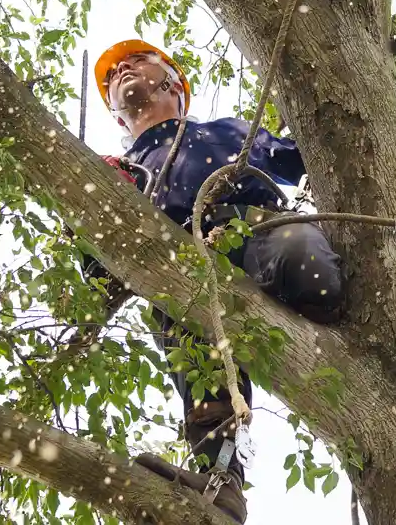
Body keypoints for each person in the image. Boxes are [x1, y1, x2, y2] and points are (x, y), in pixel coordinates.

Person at [76, 39, 346, 523]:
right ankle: (221, 482)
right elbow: (98, 276)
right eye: (114, 72)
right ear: (117, 116)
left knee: (302, 258)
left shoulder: (226, 132)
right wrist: (92, 218)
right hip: (182, 268)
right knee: (199, 371)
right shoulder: (120, 174)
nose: (123, 69)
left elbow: (308, 156)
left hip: (253, 228)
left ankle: (326, 305)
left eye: (137, 61)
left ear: (176, 85)